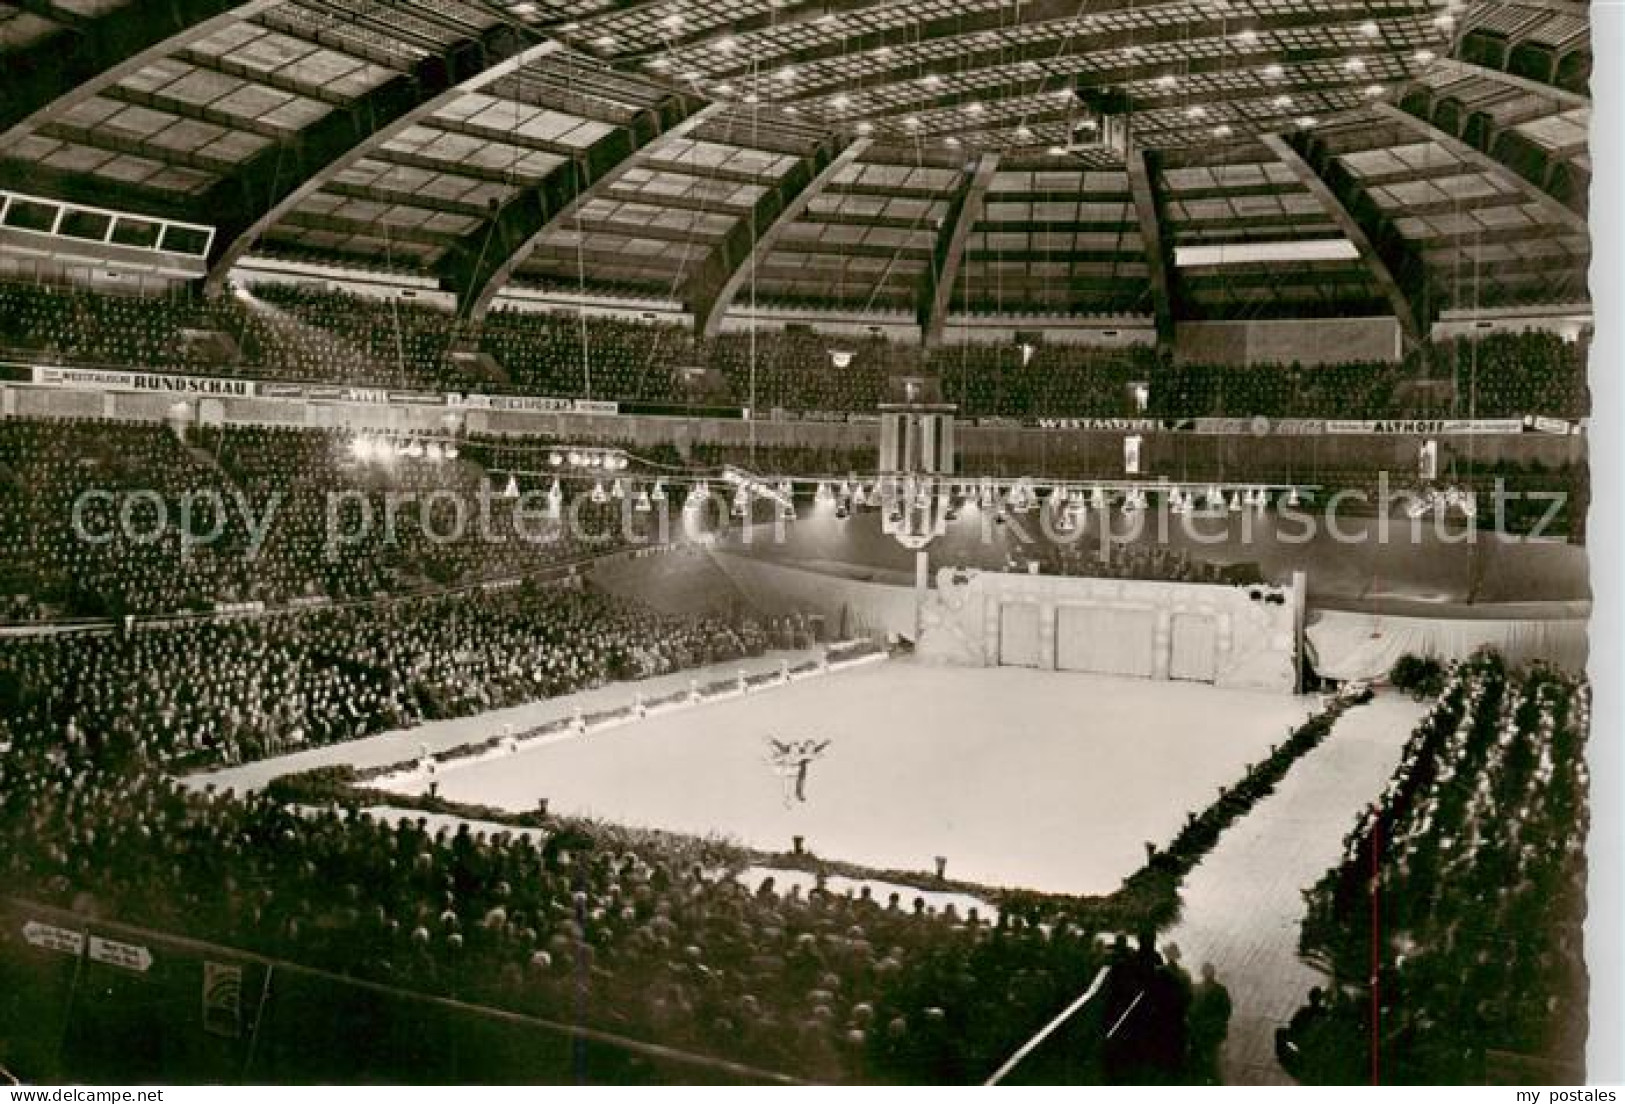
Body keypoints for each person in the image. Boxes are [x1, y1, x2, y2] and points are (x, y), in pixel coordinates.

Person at [1189, 962, 1232, 1084]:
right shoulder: (1221, 990)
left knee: (1200, 1060)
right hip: (1213, 1032)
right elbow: (1226, 1012)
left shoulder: (1195, 988)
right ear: (1213, 974)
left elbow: (1191, 1010)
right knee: (1213, 1059)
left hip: (1199, 1032)